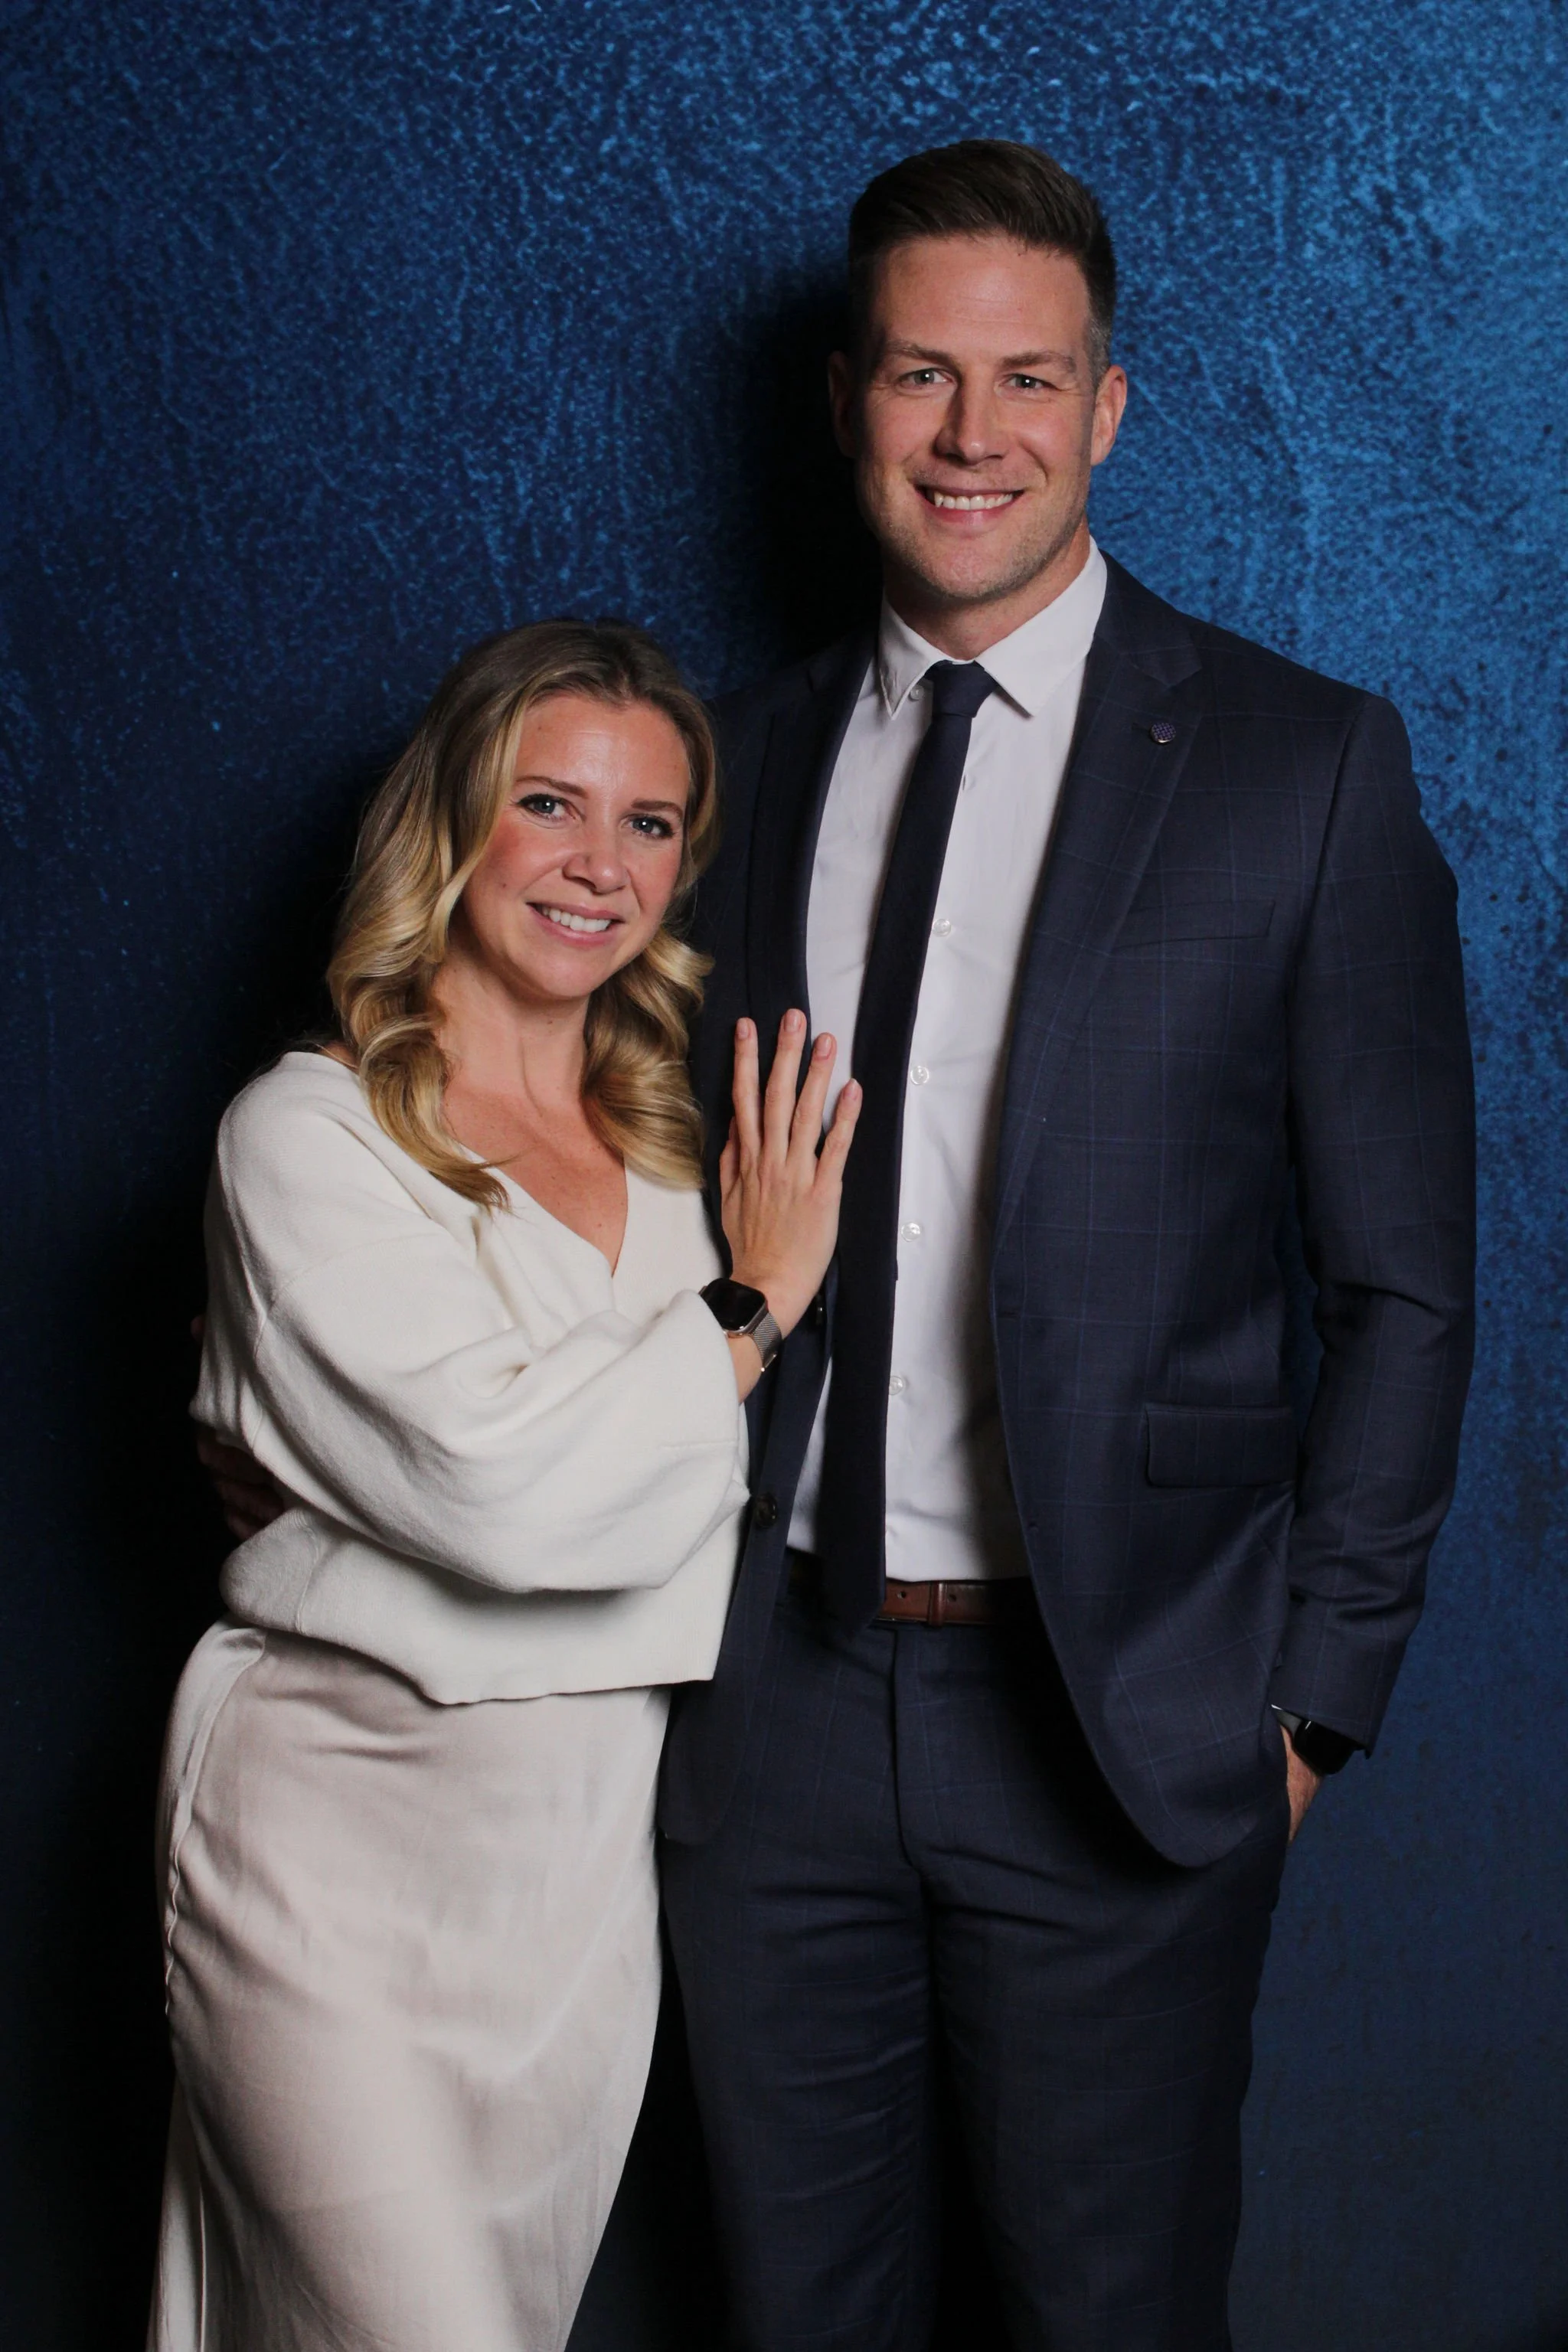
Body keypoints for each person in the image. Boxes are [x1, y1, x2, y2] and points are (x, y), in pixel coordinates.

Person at [655, 140, 1475, 2351]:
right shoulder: (722, 771)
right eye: (920, 373)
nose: (972, 434)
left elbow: (1404, 1290)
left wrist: (1306, 1710)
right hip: (763, 1708)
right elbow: (581, 1155)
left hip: (1119, 1727)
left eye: (1026, 379)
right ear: (847, 399)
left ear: (1108, 407)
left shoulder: (1304, 769)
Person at [152, 618, 858, 2352]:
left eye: (647, 822)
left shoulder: (694, 1159)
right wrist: (753, 1310)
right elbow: (499, 1494)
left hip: (580, 1872)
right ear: (454, 819)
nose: (597, 862)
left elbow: (711, 1496)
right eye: (549, 803)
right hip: (332, 1841)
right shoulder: (309, 1134)